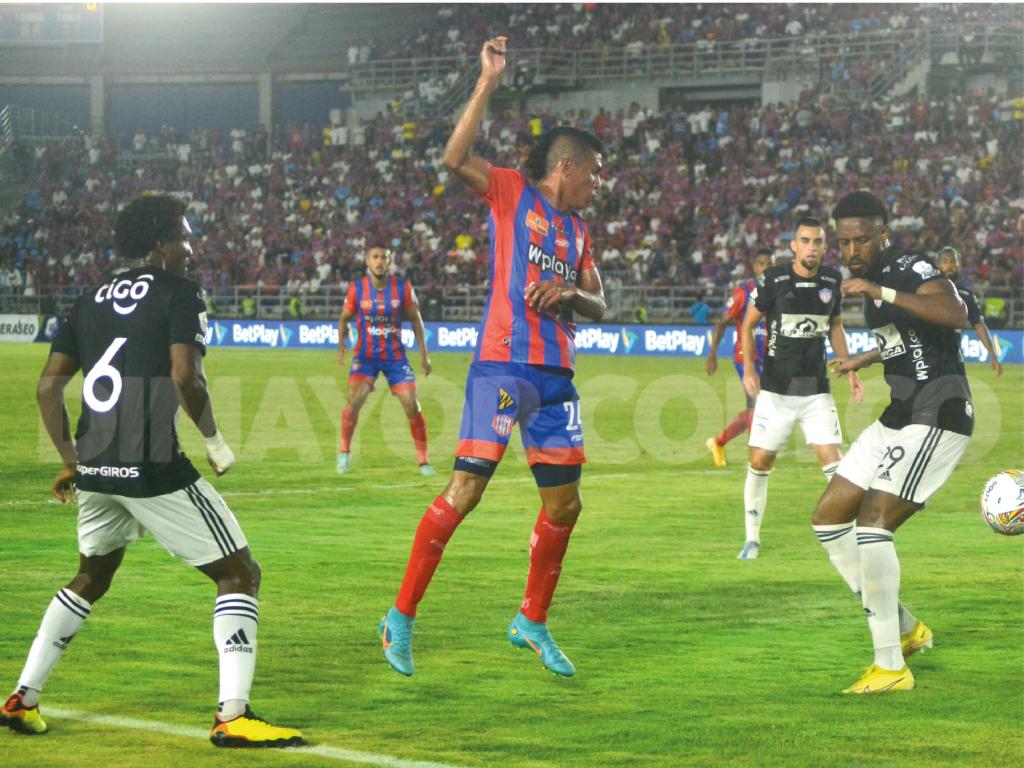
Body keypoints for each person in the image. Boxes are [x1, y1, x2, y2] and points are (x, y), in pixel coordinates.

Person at [0, 195, 302, 747]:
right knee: (240, 573)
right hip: (151, 466)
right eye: (184, 237)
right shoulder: (180, 292)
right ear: (160, 243)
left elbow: (47, 387)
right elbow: (187, 377)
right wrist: (215, 442)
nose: (190, 249)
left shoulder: (87, 298)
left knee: (92, 576)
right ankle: (234, 716)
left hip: (96, 467)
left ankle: (23, 698)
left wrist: (73, 461)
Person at [377, 36, 605, 679]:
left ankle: (531, 621)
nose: (598, 183)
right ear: (566, 167)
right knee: (466, 490)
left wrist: (570, 294)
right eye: (594, 172)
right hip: (503, 367)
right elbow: (454, 158)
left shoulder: (578, 232)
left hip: (556, 378)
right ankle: (399, 617)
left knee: (565, 506)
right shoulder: (511, 191)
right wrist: (486, 83)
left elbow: (599, 302)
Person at [814, 191, 973, 694]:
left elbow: (954, 312)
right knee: (828, 519)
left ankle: (890, 667)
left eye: (862, 240)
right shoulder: (873, 281)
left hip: (938, 411)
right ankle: (905, 628)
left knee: (873, 525)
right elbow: (907, 340)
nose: (853, 251)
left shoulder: (909, 267)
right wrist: (866, 358)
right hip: (900, 413)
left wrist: (880, 289)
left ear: (883, 234)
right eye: (845, 242)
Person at [738, 217, 863, 560]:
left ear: (824, 247)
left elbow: (835, 326)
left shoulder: (832, 280)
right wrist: (749, 369)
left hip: (815, 390)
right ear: (794, 246)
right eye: (805, 241)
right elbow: (748, 325)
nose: (811, 247)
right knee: (760, 461)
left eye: (817, 242)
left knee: (833, 462)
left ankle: (853, 535)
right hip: (775, 389)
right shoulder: (773, 279)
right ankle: (751, 539)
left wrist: (850, 368)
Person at [336, 246, 434, 475]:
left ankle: (424, 462)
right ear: (368, 262)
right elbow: (344, 318)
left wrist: (424, 354)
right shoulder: (357, 288)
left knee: (412, 405)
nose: (379, 262)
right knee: (354, 401)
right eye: (375, 258)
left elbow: (416, 319)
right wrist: (341, 344)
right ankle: (344, 452)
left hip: (395, 356)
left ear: (390, 262)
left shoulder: (403, 288)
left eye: (384, 258)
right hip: (366, 356)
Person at [705, 248, 773, 466]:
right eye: (762, 264)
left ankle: (718, 442)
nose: (766, 268)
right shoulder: (743, 293)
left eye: (770, 264)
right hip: (745, 357)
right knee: (757, 406)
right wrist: (713, 354)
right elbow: (722, 323)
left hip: (767, 357)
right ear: (755, 267)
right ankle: (757, 460)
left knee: (760, 408)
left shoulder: (776, 292)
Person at [935, 246, 1003, 377]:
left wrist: (992, 355)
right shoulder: (925, 292)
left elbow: (979, 325)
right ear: (937, 266)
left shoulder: (966, 296)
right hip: (925, 356)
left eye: (953, 261)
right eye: (945, 261)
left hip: (953, 357)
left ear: (959, 265)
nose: (949, 265)